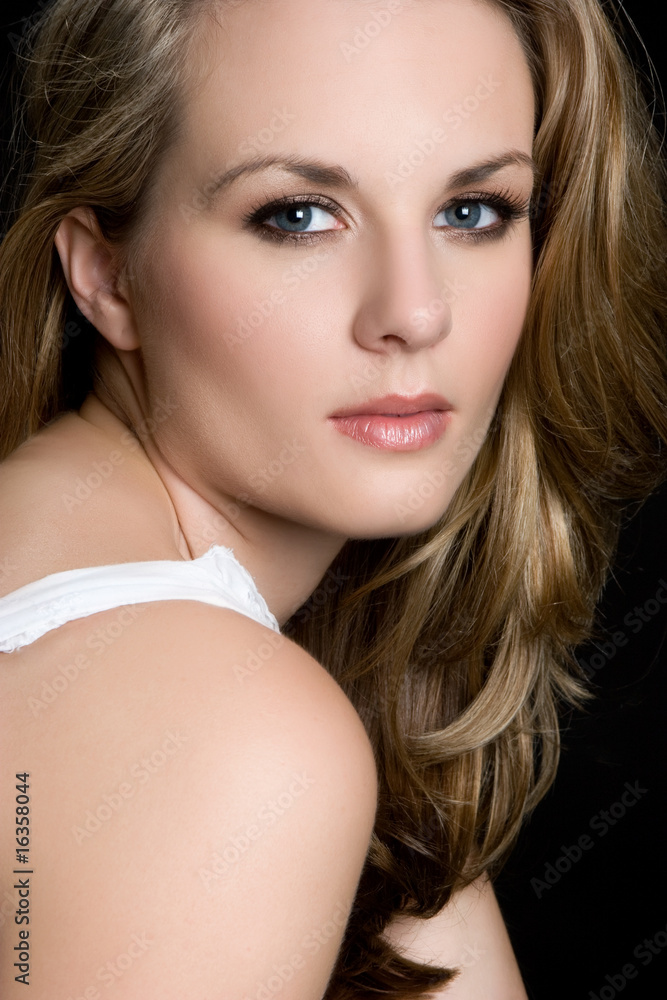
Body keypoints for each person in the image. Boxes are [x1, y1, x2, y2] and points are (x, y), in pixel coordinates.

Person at [0, 0, 665, 997]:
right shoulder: (229, 735)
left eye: (472, 211)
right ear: (106, 272)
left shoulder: (108, 599)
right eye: (299, 215)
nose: (414, 311)